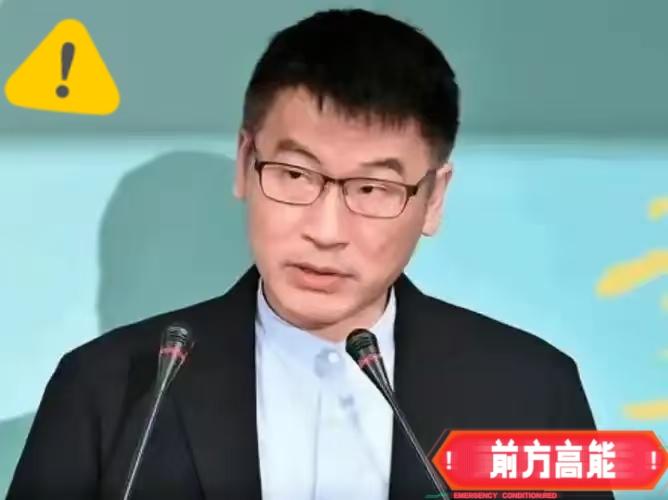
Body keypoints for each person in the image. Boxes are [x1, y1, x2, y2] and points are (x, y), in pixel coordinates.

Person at [7, 8, 613, 500]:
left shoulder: (531, 391)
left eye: (372, 189)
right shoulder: (107, 388)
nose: (326, 231)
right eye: (296, 175)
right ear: (246, 163)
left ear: (432, 199)